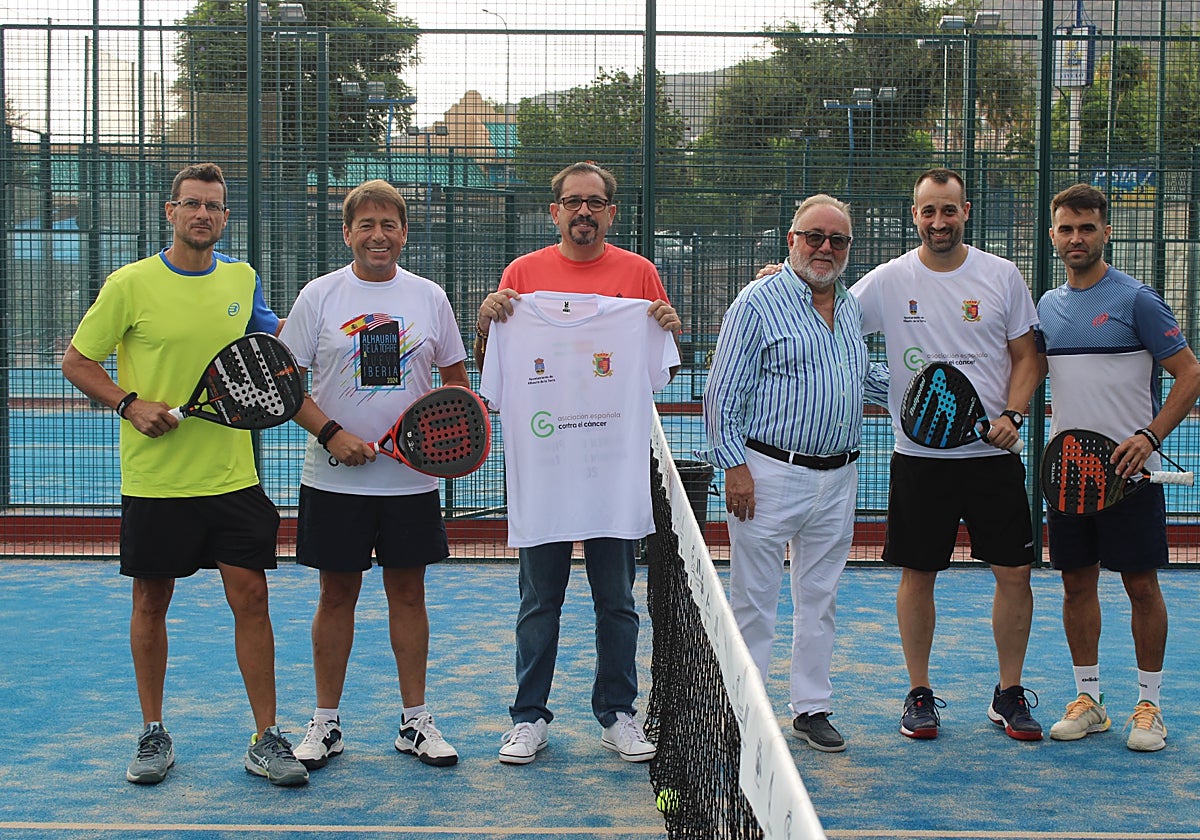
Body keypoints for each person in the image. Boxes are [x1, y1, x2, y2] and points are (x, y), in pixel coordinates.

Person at [60, 162, 308, 786]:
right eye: (192, 204)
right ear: (170, 211)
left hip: (231, 477)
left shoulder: (242, 279)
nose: (203, 214)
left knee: (251, 598)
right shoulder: (129, 284)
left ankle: (267, 737)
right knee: (151, 601)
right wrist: (128, 403)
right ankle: (152, 732)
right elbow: (77, 360)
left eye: (214, 207)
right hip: (156, 482)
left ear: (225, 219)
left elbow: (277, 344)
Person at [474, 161, 681, 765]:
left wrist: (668, 325)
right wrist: (487, 322)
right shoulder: (522, 275)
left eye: (595, 202)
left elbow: (660, 362)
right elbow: (494, 362)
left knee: (616, 599)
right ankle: (528, 717)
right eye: (572, 201)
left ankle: (618, 712)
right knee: (539, 600)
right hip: (544, 474)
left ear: (611, 213)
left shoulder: (640, 274)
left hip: (613, 474)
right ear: (554, 211)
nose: (583, 211)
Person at [279, 179, 468, 770]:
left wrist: (426, 443)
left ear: (404, 233)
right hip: (333, 480)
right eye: (366, 224)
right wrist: (333, 434)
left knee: (408, 594)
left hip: (410, 483)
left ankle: (415, 722)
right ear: (348, 233)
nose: (378, 235)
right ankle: (325, 724)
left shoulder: (430, 297)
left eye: (389, 224)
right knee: (336, 596)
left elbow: (455, 385)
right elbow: (287, 383)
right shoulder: (320, 296)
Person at [850, 168, 1044, 741]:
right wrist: (778, 280)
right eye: (929, 211)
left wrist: (1012, 416)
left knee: (1014, 573)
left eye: (949, 210)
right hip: (919, 458)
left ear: (965, 212)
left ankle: (1009, 693)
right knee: (919, 572)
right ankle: (919, 693)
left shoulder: (1000, 275)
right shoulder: (888, 280)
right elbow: (825, 309)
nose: (939, 221)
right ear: (915, 216)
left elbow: (1028, 357)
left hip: (992, 457)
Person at [703, 195, 888, 753]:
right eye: (814, 236)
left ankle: (811, 708)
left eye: (837, 240)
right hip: (766, 473)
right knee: (754, 602)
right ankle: (743, 714)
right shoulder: (757, 302)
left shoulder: (850, 304)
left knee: (820, 597)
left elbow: (858, 374)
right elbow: (720, 396)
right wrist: (734, 466)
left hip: (838, 477)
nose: (825, 248)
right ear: (791, 240)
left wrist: (919, 386)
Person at [1037, 184, 1200, 751]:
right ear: (1053, 235)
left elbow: (1191, 374)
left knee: (1140, 585)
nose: (1076, 238)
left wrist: (1150, 436)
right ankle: (1089, 701)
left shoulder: (1138, 301)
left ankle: (1149, 706)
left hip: (1130, 479)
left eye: (1086, 227)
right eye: (1066, 228)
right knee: (1076, 584)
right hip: (1070, 478)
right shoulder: (1048, 308)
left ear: (1106, 232)